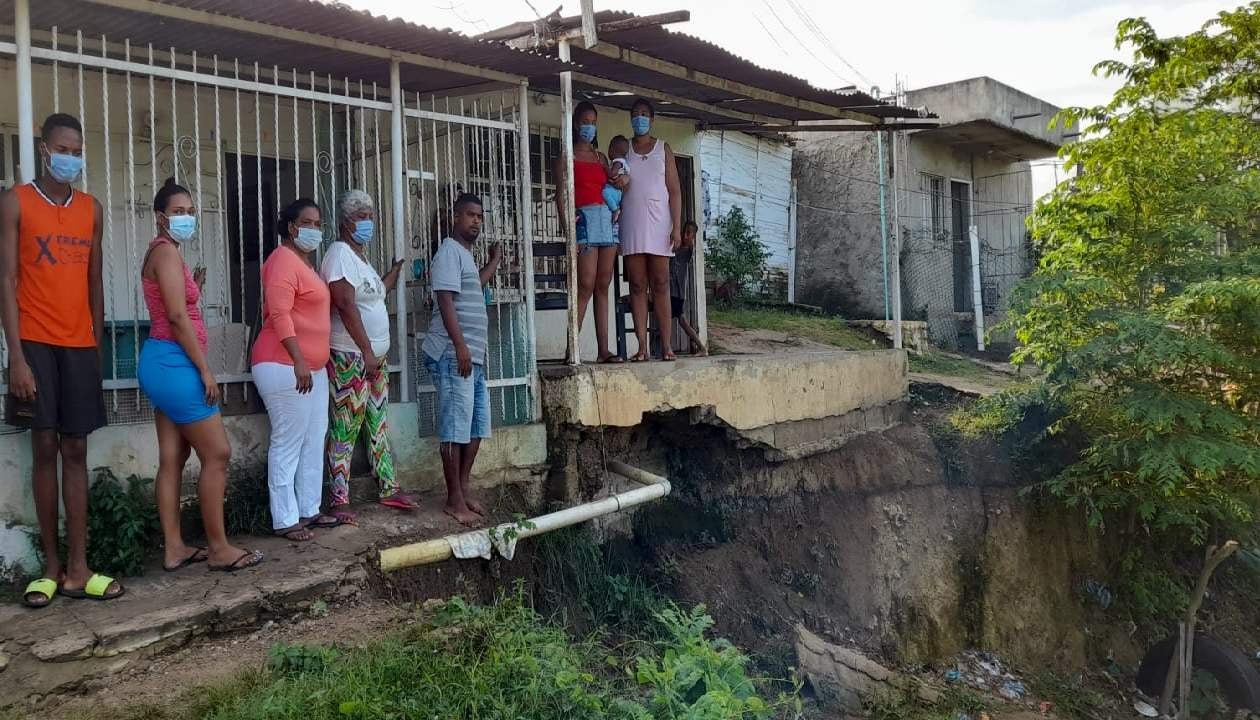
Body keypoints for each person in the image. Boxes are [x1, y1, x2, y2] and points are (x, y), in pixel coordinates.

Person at [0, 114, 124, 606]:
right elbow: (6, 282)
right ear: (43, 149)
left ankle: (79, 568)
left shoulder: (90, 209)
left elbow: (94, 280)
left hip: (78, 345)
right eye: (62, 148)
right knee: (45, 447)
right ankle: (49, 569)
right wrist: (17, 358)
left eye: (77, 148)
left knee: (76, 450)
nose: (70, 156)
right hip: (34, 342)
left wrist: (95, 343)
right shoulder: (15, 202)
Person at [138, 179, 262, 572]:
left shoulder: (165, 252)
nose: (187, 218)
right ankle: (219, 547)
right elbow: (176, 317)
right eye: (178, 212)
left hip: (161, 361)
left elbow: (172, 306)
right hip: (175, 363)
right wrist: (206, 370)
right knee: (218, 453)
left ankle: (174, 548)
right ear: (161, 217)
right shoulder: (166, 253)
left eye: (191, 211)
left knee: (174, 457)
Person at [321, 190, 412, 523]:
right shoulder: (339, 254)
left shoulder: (361, 259)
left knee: (377, 423)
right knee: (346, 426)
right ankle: (339, 498)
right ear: (346, 222)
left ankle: (388, 486)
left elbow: (374, 295)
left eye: (371, 215)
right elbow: (345, 305)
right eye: (362, 216)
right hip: (352, 358)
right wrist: (366, 351)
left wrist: (392, 273)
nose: (368, 221)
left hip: (374, 359)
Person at [251, 199, 340, 541]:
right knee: (288, 441)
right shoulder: (282, 261)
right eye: (308, 223)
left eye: (319, 224)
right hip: (284, 363)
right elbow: (280, 313)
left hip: (311, 369)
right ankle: (285, 518)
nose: (315, 230)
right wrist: (299, 359)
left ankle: (309, 508)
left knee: (313, 438)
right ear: (291, 227)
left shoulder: (304, 264)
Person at [422, 193, 501, 525]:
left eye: (480, 216)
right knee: (455, 428)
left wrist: (495, 262)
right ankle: (454, 499)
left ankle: (463, 489)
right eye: (470, 214)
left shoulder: (465, 257)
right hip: (455, 356)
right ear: (455, 217)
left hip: (472, 357)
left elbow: (472, 287)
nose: (476, 221)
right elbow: (444, 300)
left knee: (477, 426)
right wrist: (461, 347)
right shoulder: (448, 253)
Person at [554, 101, 626, 364]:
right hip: (583, 220)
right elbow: (561, 197)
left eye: (594, 122)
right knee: (585, 284)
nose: (590, 127)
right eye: (586, 121)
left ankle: (603, 350)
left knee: (603, 284)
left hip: (606, 222)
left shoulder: (601, 158)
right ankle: (571, 348)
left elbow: (613, 187)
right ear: (576, 123)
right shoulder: (566, 157)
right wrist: (567, 232)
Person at [620, 98, 683, 362]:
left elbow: (675, 191)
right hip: (633, 222)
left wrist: (677, 227)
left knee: (660, 283)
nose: (639, 119)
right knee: (637, 284)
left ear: (652, 119)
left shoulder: (662, 149)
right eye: (635, 114)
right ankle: (642, 347)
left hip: (659, 223)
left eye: (644, 114)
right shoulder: (625, 150)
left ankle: (666, 345)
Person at [670, 221, 707, 357]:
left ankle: (667, 348)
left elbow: (690, 245)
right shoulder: (676, 247)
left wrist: (691, 239)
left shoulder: (688, 250)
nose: (685, 236)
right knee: (681, 321)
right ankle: (701, 347)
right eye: (684, 232)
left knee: (676, 319)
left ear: (693, 237)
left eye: (689, 234)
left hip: (677, 293)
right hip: (671, 290)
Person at [604, 135, 631, 241]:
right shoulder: (624, 162)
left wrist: (605, 168)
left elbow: (613, 173)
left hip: (613, 191)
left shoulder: (617, 162)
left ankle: (615, 210)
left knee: (604, 192)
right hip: (618, 192)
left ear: (613, 149)